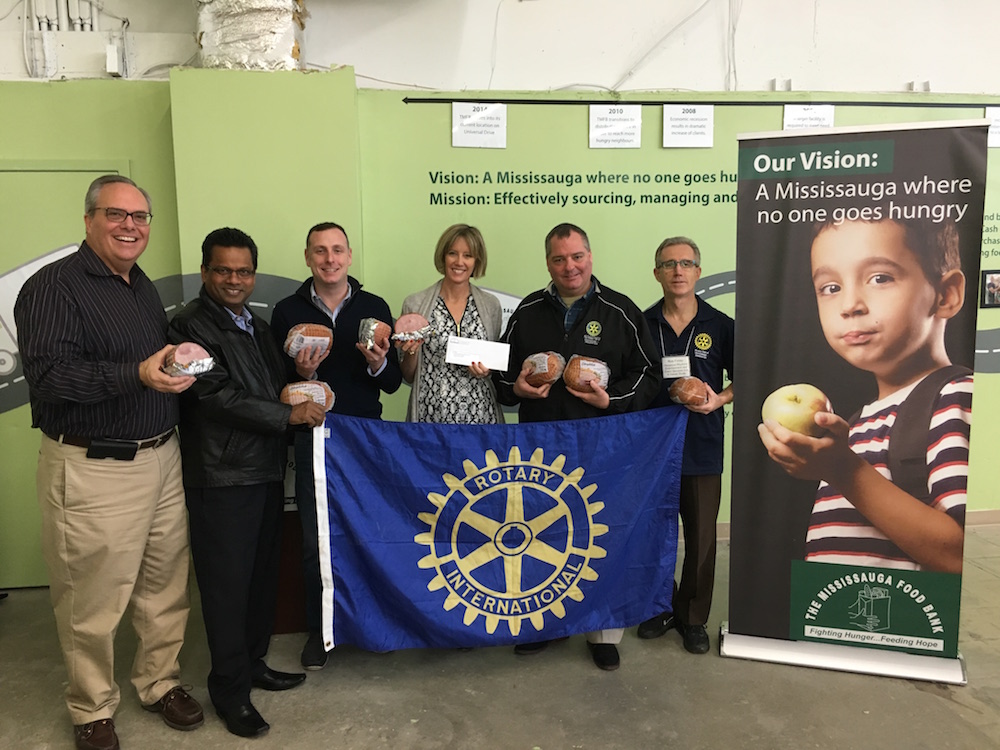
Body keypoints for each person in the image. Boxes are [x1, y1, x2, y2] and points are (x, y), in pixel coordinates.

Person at [14, 175, 204, 750]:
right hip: (94, 467)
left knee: (164, 585)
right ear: (90, 218)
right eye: (117, 214)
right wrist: (137, 374)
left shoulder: (138, 285)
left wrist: (175, 354)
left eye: (140, 217)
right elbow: (48, 379)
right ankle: (91, 707)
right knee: (91, 598)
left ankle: (158, 681)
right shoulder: (54, 288)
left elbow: (146, 357)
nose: (131, 226)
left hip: (161, 457)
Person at [168, 228, 324, 738]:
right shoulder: (189, 327)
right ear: (205, 272)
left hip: (260, 469)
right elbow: (215, 396)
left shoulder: (255, 326)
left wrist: (300, 375)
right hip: (221, 475)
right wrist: (289, 415)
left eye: (243, 271)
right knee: (226, 589)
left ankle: (253, 663)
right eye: (223, 270)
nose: (235, 280)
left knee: (259, 579)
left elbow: (269, 388)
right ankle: (230, 690)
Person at [758, 217, 970, 574]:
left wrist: (846, 472)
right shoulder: (858, 422)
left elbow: (960, 555)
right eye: (830, 287)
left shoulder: (955, 396)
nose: (850, 305)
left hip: (899, 623)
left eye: (880, 278)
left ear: (945, 295)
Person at [495, 222, 661, 671]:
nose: (569, 266)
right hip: (539, 442)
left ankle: (602, 629)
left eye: (576, 257)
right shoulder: (528, 310)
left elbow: (647, 375)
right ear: (547, 262)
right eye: (558, 258)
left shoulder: (620, 310)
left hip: (601, 444)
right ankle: (541, 625)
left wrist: (612, 400)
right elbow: (502, 374)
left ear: (590, 257)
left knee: (597, 533)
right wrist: (519, 389)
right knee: (539, 533)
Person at [270, 221, 402, 670]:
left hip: (365, 436)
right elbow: (276, 385)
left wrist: (378, 363)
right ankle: (319, 630)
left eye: (338, 250)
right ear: (307, 257)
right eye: (320, 251)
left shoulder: (373, 306)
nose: (330, 259)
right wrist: (303, 377)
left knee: (371, 532)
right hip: (312, 437)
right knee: (315, 540)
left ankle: (373, 621)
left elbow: (392, 383)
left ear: (349, 256)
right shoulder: (287, 310)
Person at [637, 237, 734, 655]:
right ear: (656, 272)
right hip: (652, 448)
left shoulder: (720, 324)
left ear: (697, 271)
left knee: (701, 537)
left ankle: (693, 617)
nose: (678, 270)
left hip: (702, 444)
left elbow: (745, 377)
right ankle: (660, 606)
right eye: (669, 263)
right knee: (653, 535)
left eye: (686, 263)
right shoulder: (640, 324)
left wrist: (720, 399)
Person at [398, 224, 504, 424]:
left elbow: (494, 365)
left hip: (481, 419)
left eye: (468, 255)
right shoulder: (415, 304)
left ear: (476, 261)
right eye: (452, 253)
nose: (459, 262)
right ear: (443, 256)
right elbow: (409, 375)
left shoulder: (491, 306)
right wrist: (412, 351)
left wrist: (487, 370)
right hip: (429, 420)